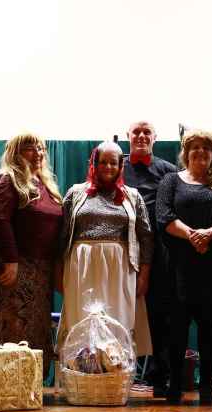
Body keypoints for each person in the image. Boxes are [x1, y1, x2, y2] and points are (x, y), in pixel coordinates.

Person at [157, 130, 212, 404]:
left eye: (206, 148)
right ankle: (175, 384)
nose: (200, 152)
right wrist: (193, 236)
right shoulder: (171, 181)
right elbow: (164, 216)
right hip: (177, 267)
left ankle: (206, 385)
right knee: (176, 328)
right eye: (195, 147)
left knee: (208, 328)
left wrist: (209, 234)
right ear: (186, 152)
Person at [58, 141, 153, 355]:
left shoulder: (133, 196)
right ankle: (80, 369)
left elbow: (146, 237)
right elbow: (62, 235)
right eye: (103, 162)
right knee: (81, 319)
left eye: (113, 163)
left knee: (117, 319)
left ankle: (117, 370)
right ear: (94, 163)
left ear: (120, 166)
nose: (108, 167)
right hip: (81, 267)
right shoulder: (76, 193)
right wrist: (58, 271)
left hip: (120, 269)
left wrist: (144, 275)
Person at [0, 133, 63, 369]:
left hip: (41, 272)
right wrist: (11, 260)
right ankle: (7, 380)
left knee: (35, 329)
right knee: (12, 327)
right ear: (15, 153)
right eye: (30, 148)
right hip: (17, 269)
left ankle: (31, 382)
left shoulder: (45, 185)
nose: (38, 153)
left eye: (41, 148)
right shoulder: (8, 179)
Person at [123, 121, 178, 398]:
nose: (142, 136)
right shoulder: (115, 166)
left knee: (159, 315)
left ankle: (160, 376)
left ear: (155, 138)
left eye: (147, 132)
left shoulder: (169, 171)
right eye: (137, 132)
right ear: (128, 136)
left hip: (158, 252)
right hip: (121, 249)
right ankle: (115, 373)